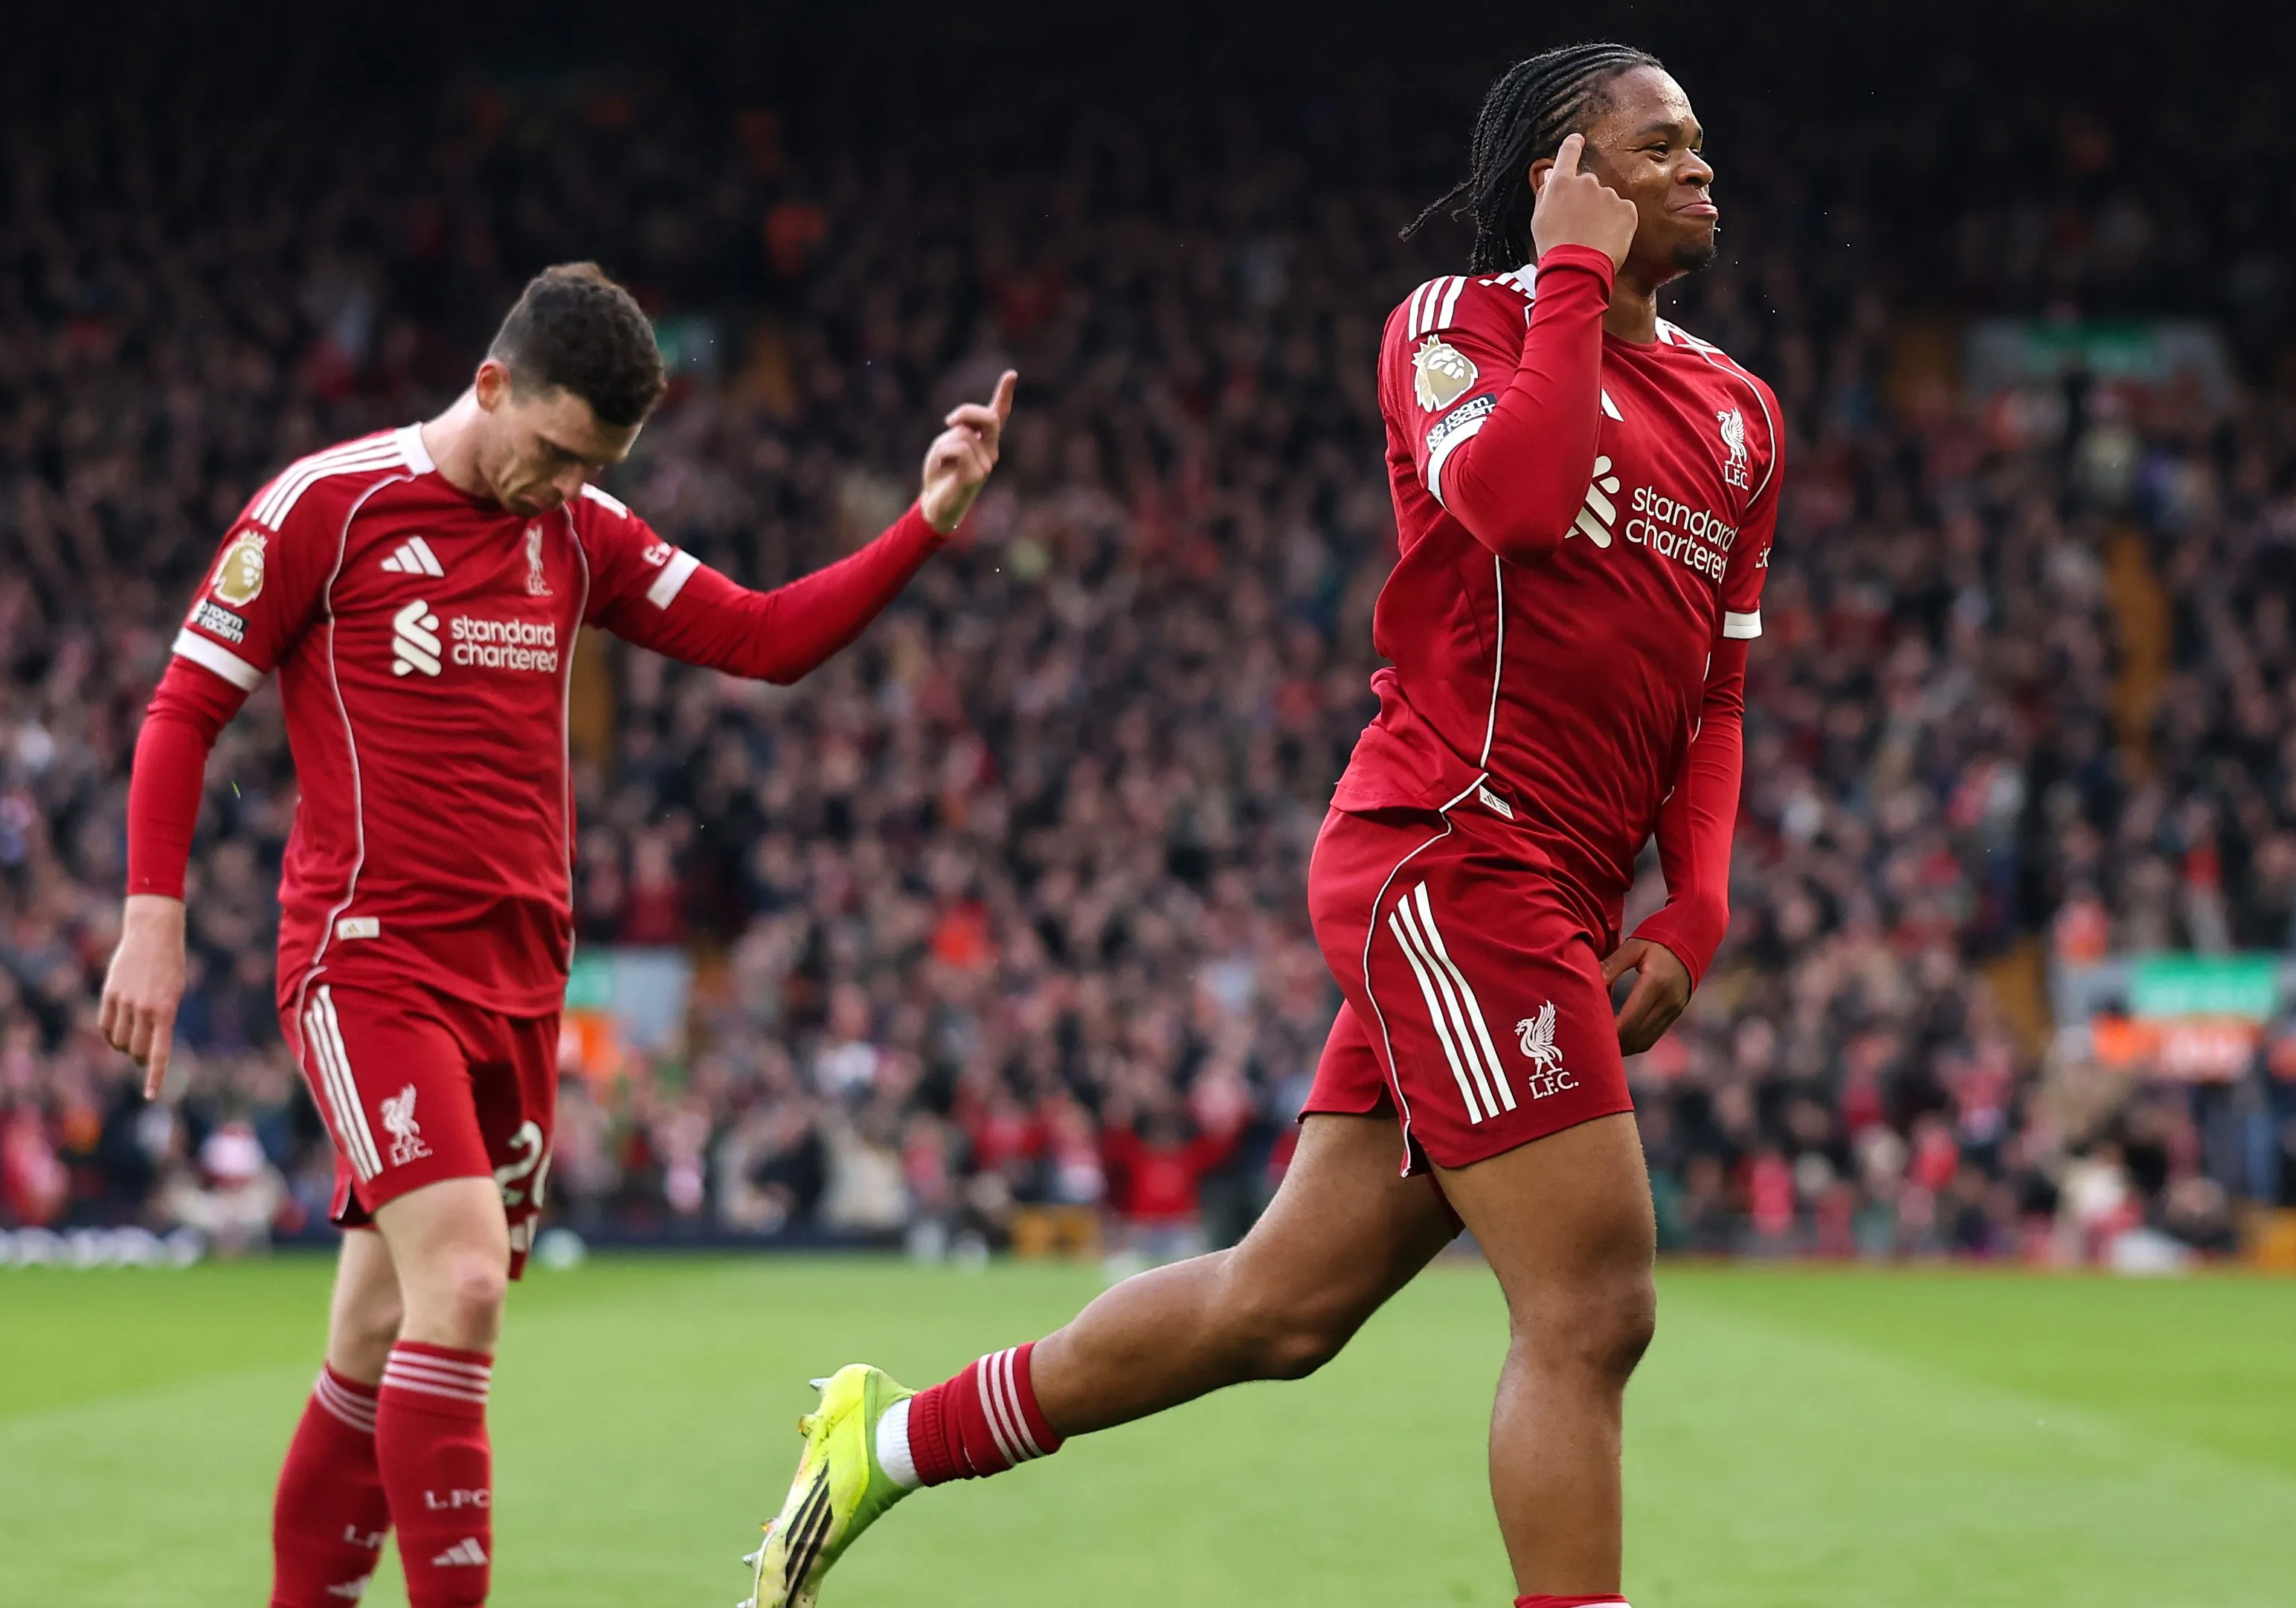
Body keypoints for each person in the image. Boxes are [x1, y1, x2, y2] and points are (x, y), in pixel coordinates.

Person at [742, 43, 1777, 1608]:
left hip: (1551, 893)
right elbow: (1509, 500)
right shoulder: (1455, 326)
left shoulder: (1740, 411)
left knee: (1276, 1309)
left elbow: (1716, 698)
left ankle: (884, 1443)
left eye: (1699, 141)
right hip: (1451, 852)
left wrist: (1692, 906)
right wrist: (1568, 278)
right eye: (1656, 145)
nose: (1699, 166)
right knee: (1588, 1305)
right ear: (1560, 180)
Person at [96, 261, 1014, 1608]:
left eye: (594, 466)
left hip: (520, 987)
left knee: (374, 1333)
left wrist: (925, 525)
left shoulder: (580, 533)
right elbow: (184, 709)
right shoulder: (327, 506)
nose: (564, 486)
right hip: (371, 964)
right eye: (555, 451)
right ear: (491, 384)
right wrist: (152, 922)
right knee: (463, 1287)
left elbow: (763, 639)